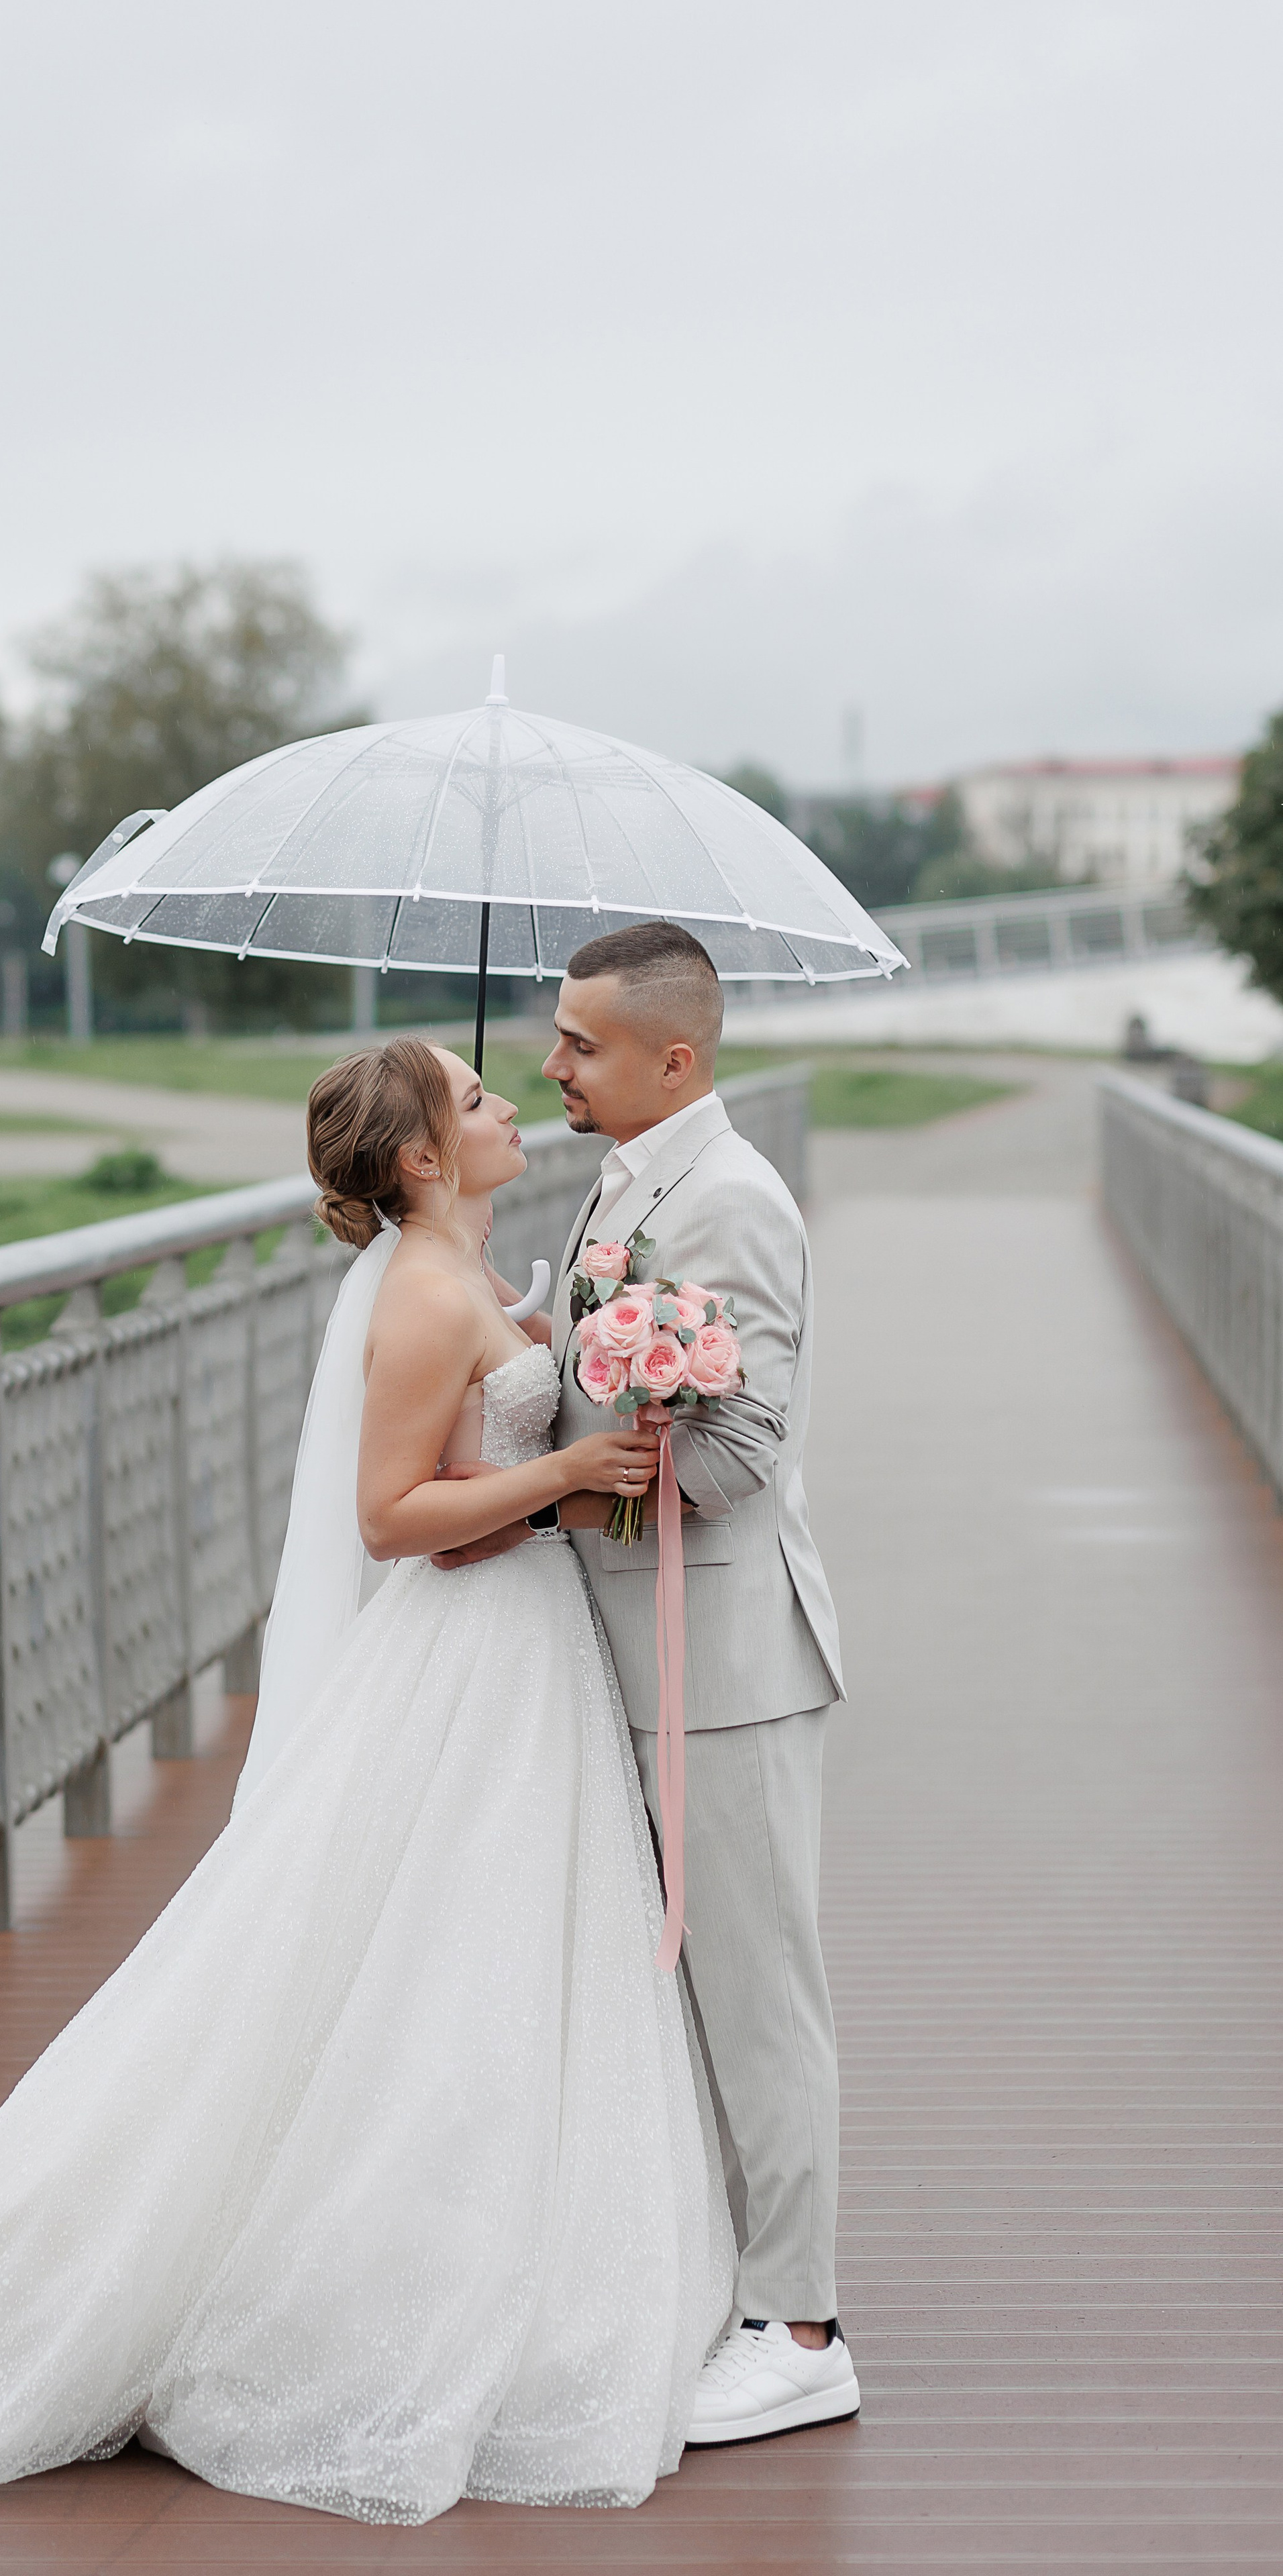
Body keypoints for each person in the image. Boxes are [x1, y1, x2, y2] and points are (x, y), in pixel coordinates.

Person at [0, 1035, 733, 2523]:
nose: (509, 1101)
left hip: (519, 1653)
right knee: (422, 1962)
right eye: (475, 1100)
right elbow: (396, 1518)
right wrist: (564, 1476)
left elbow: (464, 1470)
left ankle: (486, 2255)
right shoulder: (413, 1293)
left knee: (486, 1969)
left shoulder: (466, 1281)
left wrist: (566, 1371)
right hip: (464, 1659)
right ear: (414, 1161)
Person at [436, 921, 858, 2446]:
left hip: (726, 1661)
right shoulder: (625, 1177)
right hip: (625, 1643)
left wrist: (544, 1494)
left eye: (579, 1045)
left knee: (756, 1997)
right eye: (552, 1038)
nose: (548, 1064)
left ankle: (801, 2325)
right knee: (674, 1998)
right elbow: (615, 1377)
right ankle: (721, 2281)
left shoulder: (729, 1200)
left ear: (672, 1059)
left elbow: (739, 1459)